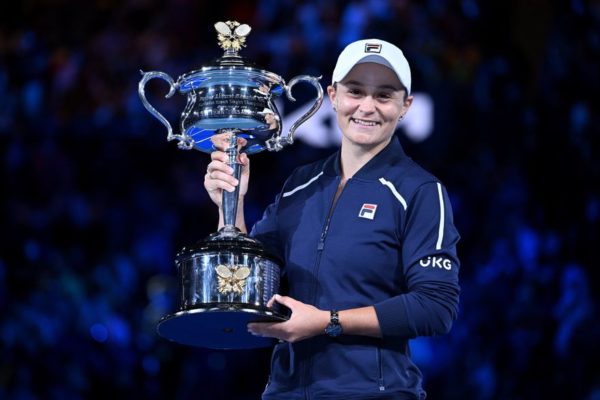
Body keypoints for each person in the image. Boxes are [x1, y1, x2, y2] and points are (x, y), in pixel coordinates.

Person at [204, 38, 460, 400]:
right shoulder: (300, 186)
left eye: (384, 95)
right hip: (285, 392)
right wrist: (231, 204)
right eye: (355, 91)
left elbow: (436, 307)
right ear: (332, 96)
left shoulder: (419, 191)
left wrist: (327, 322)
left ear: (406, 106)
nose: (367, 107)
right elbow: (245, 286)